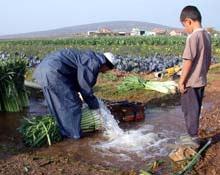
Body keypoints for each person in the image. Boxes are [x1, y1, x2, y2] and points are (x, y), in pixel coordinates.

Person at [33, 49, 117, 139]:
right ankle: (73, 136)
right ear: (107, 65)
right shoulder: (93, 62)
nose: (105, 72)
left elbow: (76, 79)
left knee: (57, 104)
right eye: (108, 69)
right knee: (72, 105)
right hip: (54, 72)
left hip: (42, 71)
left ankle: (60, 129)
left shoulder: (89, 57)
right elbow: (85, 86)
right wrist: (95, 106)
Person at [178, 6, 212, 147]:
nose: (185, 29)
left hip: (191, 82)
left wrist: (181, 81)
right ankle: (193, 134)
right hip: (201, 80)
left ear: (189, 21)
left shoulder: (193, 37)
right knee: (195, 109)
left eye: (184, 25)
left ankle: (192, 139)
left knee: (189, 110)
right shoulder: (207, 35)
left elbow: (188, 61)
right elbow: (208, 60)